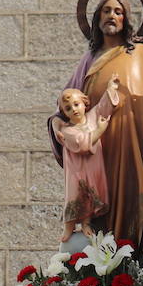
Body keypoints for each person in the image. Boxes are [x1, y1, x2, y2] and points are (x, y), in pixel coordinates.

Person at [53, 0, 143, 250]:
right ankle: (100, 275)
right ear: (97, 18)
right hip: (100, 153)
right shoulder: (90, 59)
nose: (111, 16)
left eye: (117, 11)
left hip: (135, 149)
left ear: (126, 18)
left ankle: (142, 272)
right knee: (101, 206)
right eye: (106, 11)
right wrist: (58, 124)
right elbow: (65, 104)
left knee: (135, 203)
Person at [50, 74, 120, 242]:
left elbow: (104, 106)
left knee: (90, 196)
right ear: (64, 113)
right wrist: (100, 131)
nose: (74, 109)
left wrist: (111, 88)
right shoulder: (67, 131)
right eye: (68, 108)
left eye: (76, 104)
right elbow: (82, 144)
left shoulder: (92, 117)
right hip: (76, 171)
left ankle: (86, 223)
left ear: (84, 103)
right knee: (74, 196)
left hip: (93, 168)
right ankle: (69, 227)